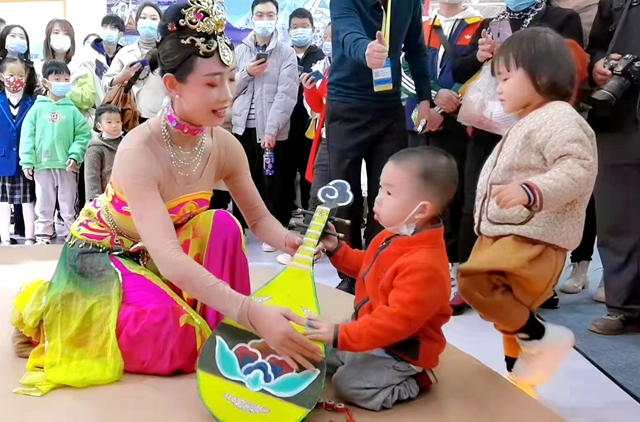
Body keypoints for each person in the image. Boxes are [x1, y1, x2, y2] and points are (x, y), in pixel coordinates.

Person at [10, 1, 322, 396]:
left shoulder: (224, 145)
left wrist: (294, 242)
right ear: (172, 86)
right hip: (106, 254)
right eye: (212, 84)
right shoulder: (139, 149)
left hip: (159, 252)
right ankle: (62, 312)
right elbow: (172, 258)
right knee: (176, 337)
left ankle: (220, 324)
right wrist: (251, 311)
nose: (228, 95)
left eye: (230, 79)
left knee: (224, 225)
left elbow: (258, 220)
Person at [457, 28, 597, 396]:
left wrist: (531, 191)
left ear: (543, 76)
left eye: (505, 78)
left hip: (535, 234)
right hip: (509, 230)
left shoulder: (559, 118)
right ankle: (522, 376)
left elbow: (578, 168)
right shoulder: (527, 121)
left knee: (476, 282)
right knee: (508, 312)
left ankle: (541, 338)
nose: (498, 87)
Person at [449, 0, 584, 314]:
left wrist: (515, 60)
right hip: (488, 125)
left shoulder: (562, 18)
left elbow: (571, 69)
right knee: (476, 202)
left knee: (531, 206)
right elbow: (458, 69)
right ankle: (470, 278)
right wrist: (481, 55)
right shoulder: (493, 21)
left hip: (536, 126)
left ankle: (532, 284)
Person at [305, 147, 456, 411]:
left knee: (347, 385)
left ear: (421, 210)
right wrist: (337, 249)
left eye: (389, 193)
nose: (377, 199)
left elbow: (393, 323)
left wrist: (341, 335)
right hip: (370, 327)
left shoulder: (426, 266)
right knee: (314, 350)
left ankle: (415, 380)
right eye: (379, 188)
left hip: (399, 348)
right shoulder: (394, 234)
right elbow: (370, 266)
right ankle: (358, 356)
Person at [327, 0, 441, 294]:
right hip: (346, 107)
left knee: (390, 191)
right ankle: (348, 271)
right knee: (345, 194)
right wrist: (367, 50)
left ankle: (378, 264)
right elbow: (347, 34)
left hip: (389, 107)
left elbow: (415, 50)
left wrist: (425, 99)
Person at [404, 0, 484, 278]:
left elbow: (479, 72)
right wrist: (433, 97)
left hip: (456, 123)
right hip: (418, 120)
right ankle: (417, 256)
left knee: (450, 194)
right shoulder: (420, 26)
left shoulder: (480, 26)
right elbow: (404, 69)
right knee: (416, 191)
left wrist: (441, 109)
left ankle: (450, 261)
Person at [586, 0, 640, 335]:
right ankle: (624, 307)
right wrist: (598, 65)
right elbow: (597, 43)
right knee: (617, 217)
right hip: (619, 114)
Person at [231, 0, 299, 252]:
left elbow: (286, 95)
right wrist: (247, 72)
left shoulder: (286, 53)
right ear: (251, 18)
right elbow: (228, 89)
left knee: (273, 180)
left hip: (271, 130)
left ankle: (274, 231)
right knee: (241, 179)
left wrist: (271, 130)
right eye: (259, 15)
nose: (264, 19)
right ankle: (240, 229)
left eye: (270, 15)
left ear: (277, 18)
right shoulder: (240, 51)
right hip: (241, 128)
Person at [19, 60, 91, 245]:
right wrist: (27, 161)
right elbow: (27, 136)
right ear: (46, 82)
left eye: (66, 79)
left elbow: (83, 135)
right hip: (42, 164)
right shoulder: (37, 109)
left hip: (67, 166)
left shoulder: (73, 110)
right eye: (57, 79)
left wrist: (75, 155)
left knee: (68, 201)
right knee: (44, 201)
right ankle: (43, 234)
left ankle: (72, 232)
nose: (63, 83)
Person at [103, 2, 166, 124]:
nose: (148, 21)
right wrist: (122, 76)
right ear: (137, 23)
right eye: (143, 17)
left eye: (153, 18)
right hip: (129, 117)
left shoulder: (169, 52)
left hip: (159, 118)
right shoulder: (124, 52)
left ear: (160, 24)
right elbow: (105, 83)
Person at [287, 8, 324, 212]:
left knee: (310, 171)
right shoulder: (283, 56)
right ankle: (286, 214)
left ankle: (310, 214)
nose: (299, 30)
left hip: (312, 125)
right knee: (285, 173)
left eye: (304, 26)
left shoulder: (322, 57)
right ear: (288, 31)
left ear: (313, 29)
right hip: (286, 124)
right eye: (295, 27)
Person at [0, 56, 36, 245]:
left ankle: (30, 236)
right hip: (3, 158)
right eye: (11, 75)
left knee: (28, 200)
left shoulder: (33, 103)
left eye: (20, 75)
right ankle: (4, 237)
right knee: (3, 201)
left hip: (26, 160)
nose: (16, 79)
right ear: (2, 76)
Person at [84, 104, 124, 201]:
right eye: (109, 122)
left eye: (118, 121)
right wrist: (94, 200)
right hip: (107, 199)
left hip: (127, 195)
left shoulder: (127, 143)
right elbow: (92, 176)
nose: (114, 125)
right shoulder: (95, 148)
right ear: (99, 126)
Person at [85, 14, 126, 83]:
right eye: (105, 26)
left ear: (120, 34)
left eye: (113, 28)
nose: (108, 30)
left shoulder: (125, 56)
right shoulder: (89, 53)